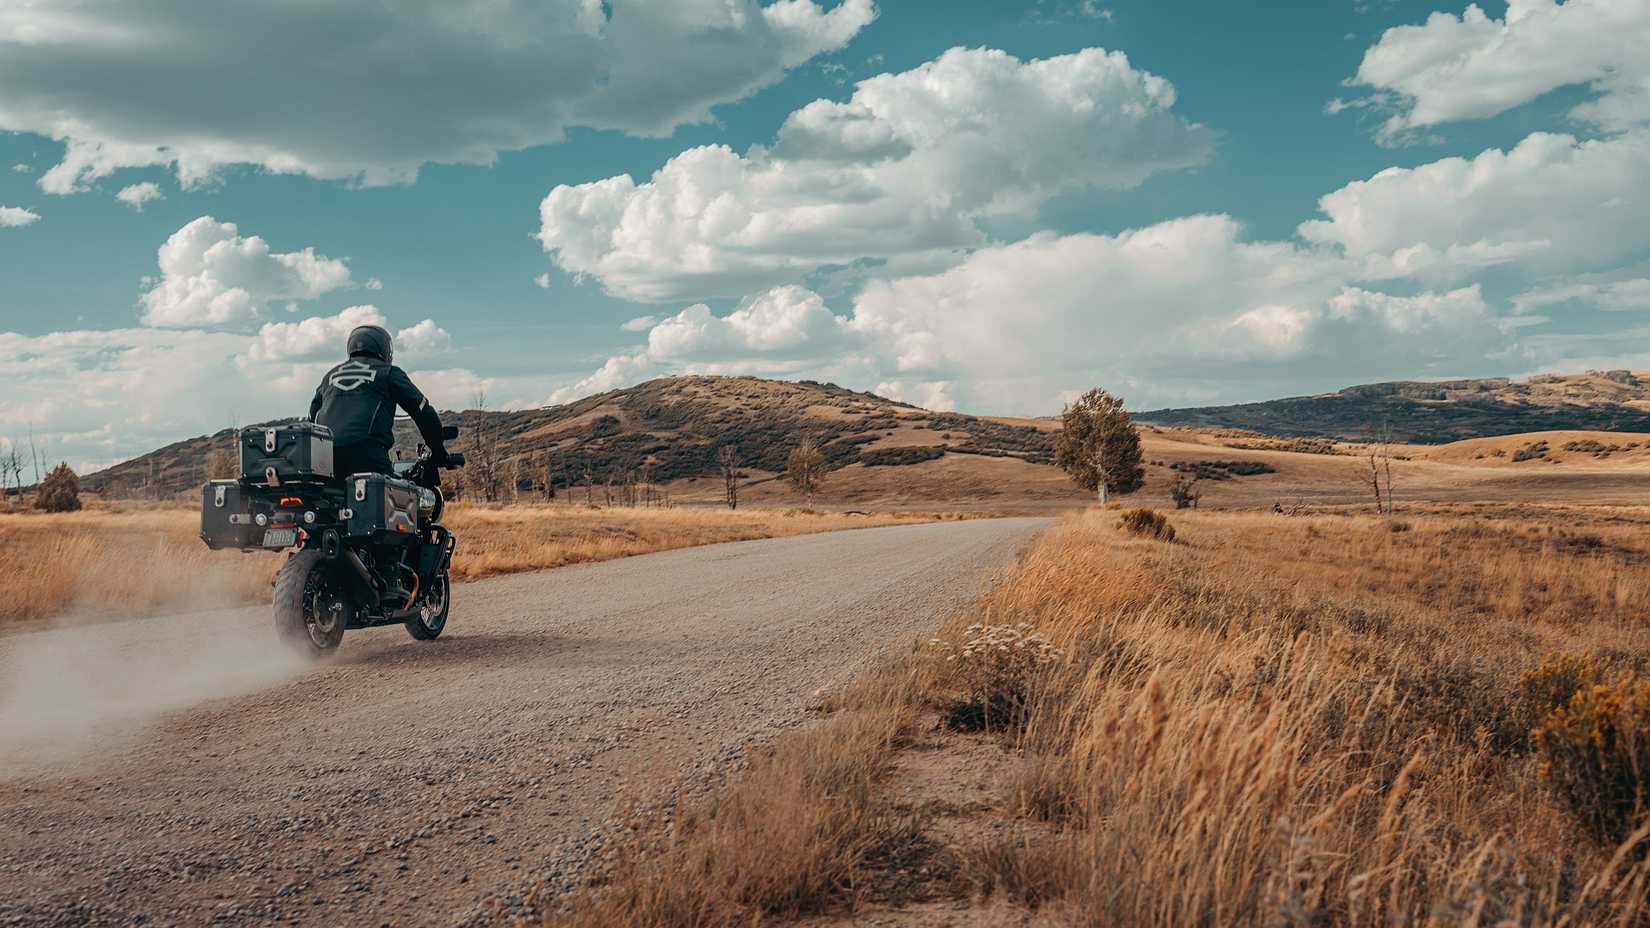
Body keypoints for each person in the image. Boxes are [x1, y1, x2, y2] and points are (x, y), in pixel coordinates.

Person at [309, 324, 449, 478]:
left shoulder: (329, 377)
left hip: (325, 458)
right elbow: (423, 411)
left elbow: (312, 414)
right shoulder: (388, 372)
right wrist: (438, 452)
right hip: (368, 457)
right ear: (384, 348)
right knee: (401, 495)